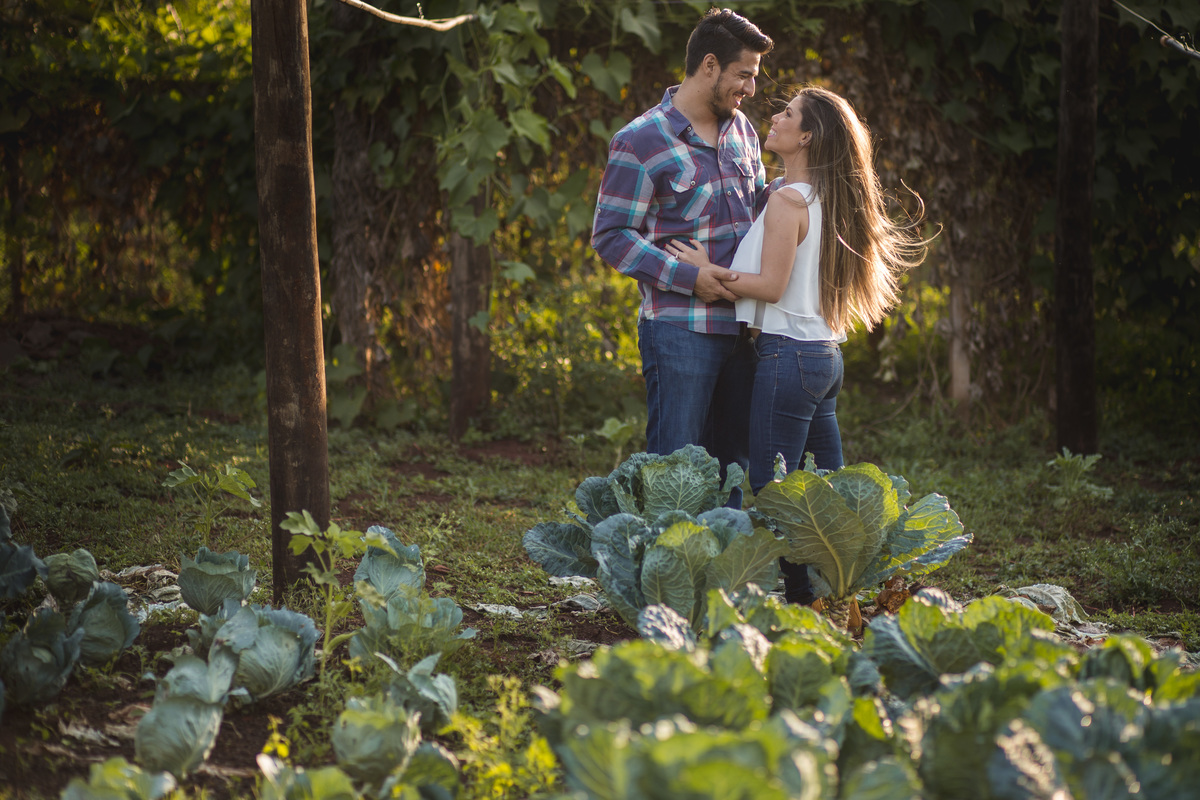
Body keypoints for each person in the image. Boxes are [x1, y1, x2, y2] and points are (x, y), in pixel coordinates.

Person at [668, 85, 928, 602]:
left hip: (788, 357)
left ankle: (802, 599)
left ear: (806, 136)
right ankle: (843, 593)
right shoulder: (828, 199)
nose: (776, 118)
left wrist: (704, 270)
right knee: (828, 489)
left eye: (788, 114)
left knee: (773, 489)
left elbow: (769, 285)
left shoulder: (789, 201)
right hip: (824, 357)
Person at [591, 9, 775, 503]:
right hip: (678, 331)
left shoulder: (743, 132)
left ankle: (725, 579)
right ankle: (666, 580)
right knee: (675, 473)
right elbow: (611, 235)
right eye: (745, 75)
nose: (751, 89)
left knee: (733, 470)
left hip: (742, 328)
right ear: (710, 65)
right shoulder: (641, 140)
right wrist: (689, 278)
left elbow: (760, 215)